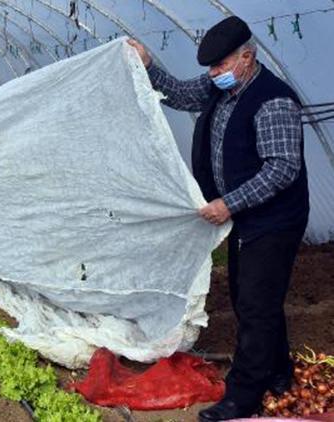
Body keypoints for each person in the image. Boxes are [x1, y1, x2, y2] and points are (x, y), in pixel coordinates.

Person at [128, 16, 309, 421]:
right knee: (254, 297)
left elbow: (282, 168)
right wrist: (148, 64)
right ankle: (278, 369)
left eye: (220, 65)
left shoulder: (273, 100)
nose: (213, 75)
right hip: (245, 216)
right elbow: (179, 93)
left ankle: (242, 395)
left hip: (274, 219)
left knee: (255, 303)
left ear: (247, 57)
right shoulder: (219, 86)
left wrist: (228, 203)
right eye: (210, 68)